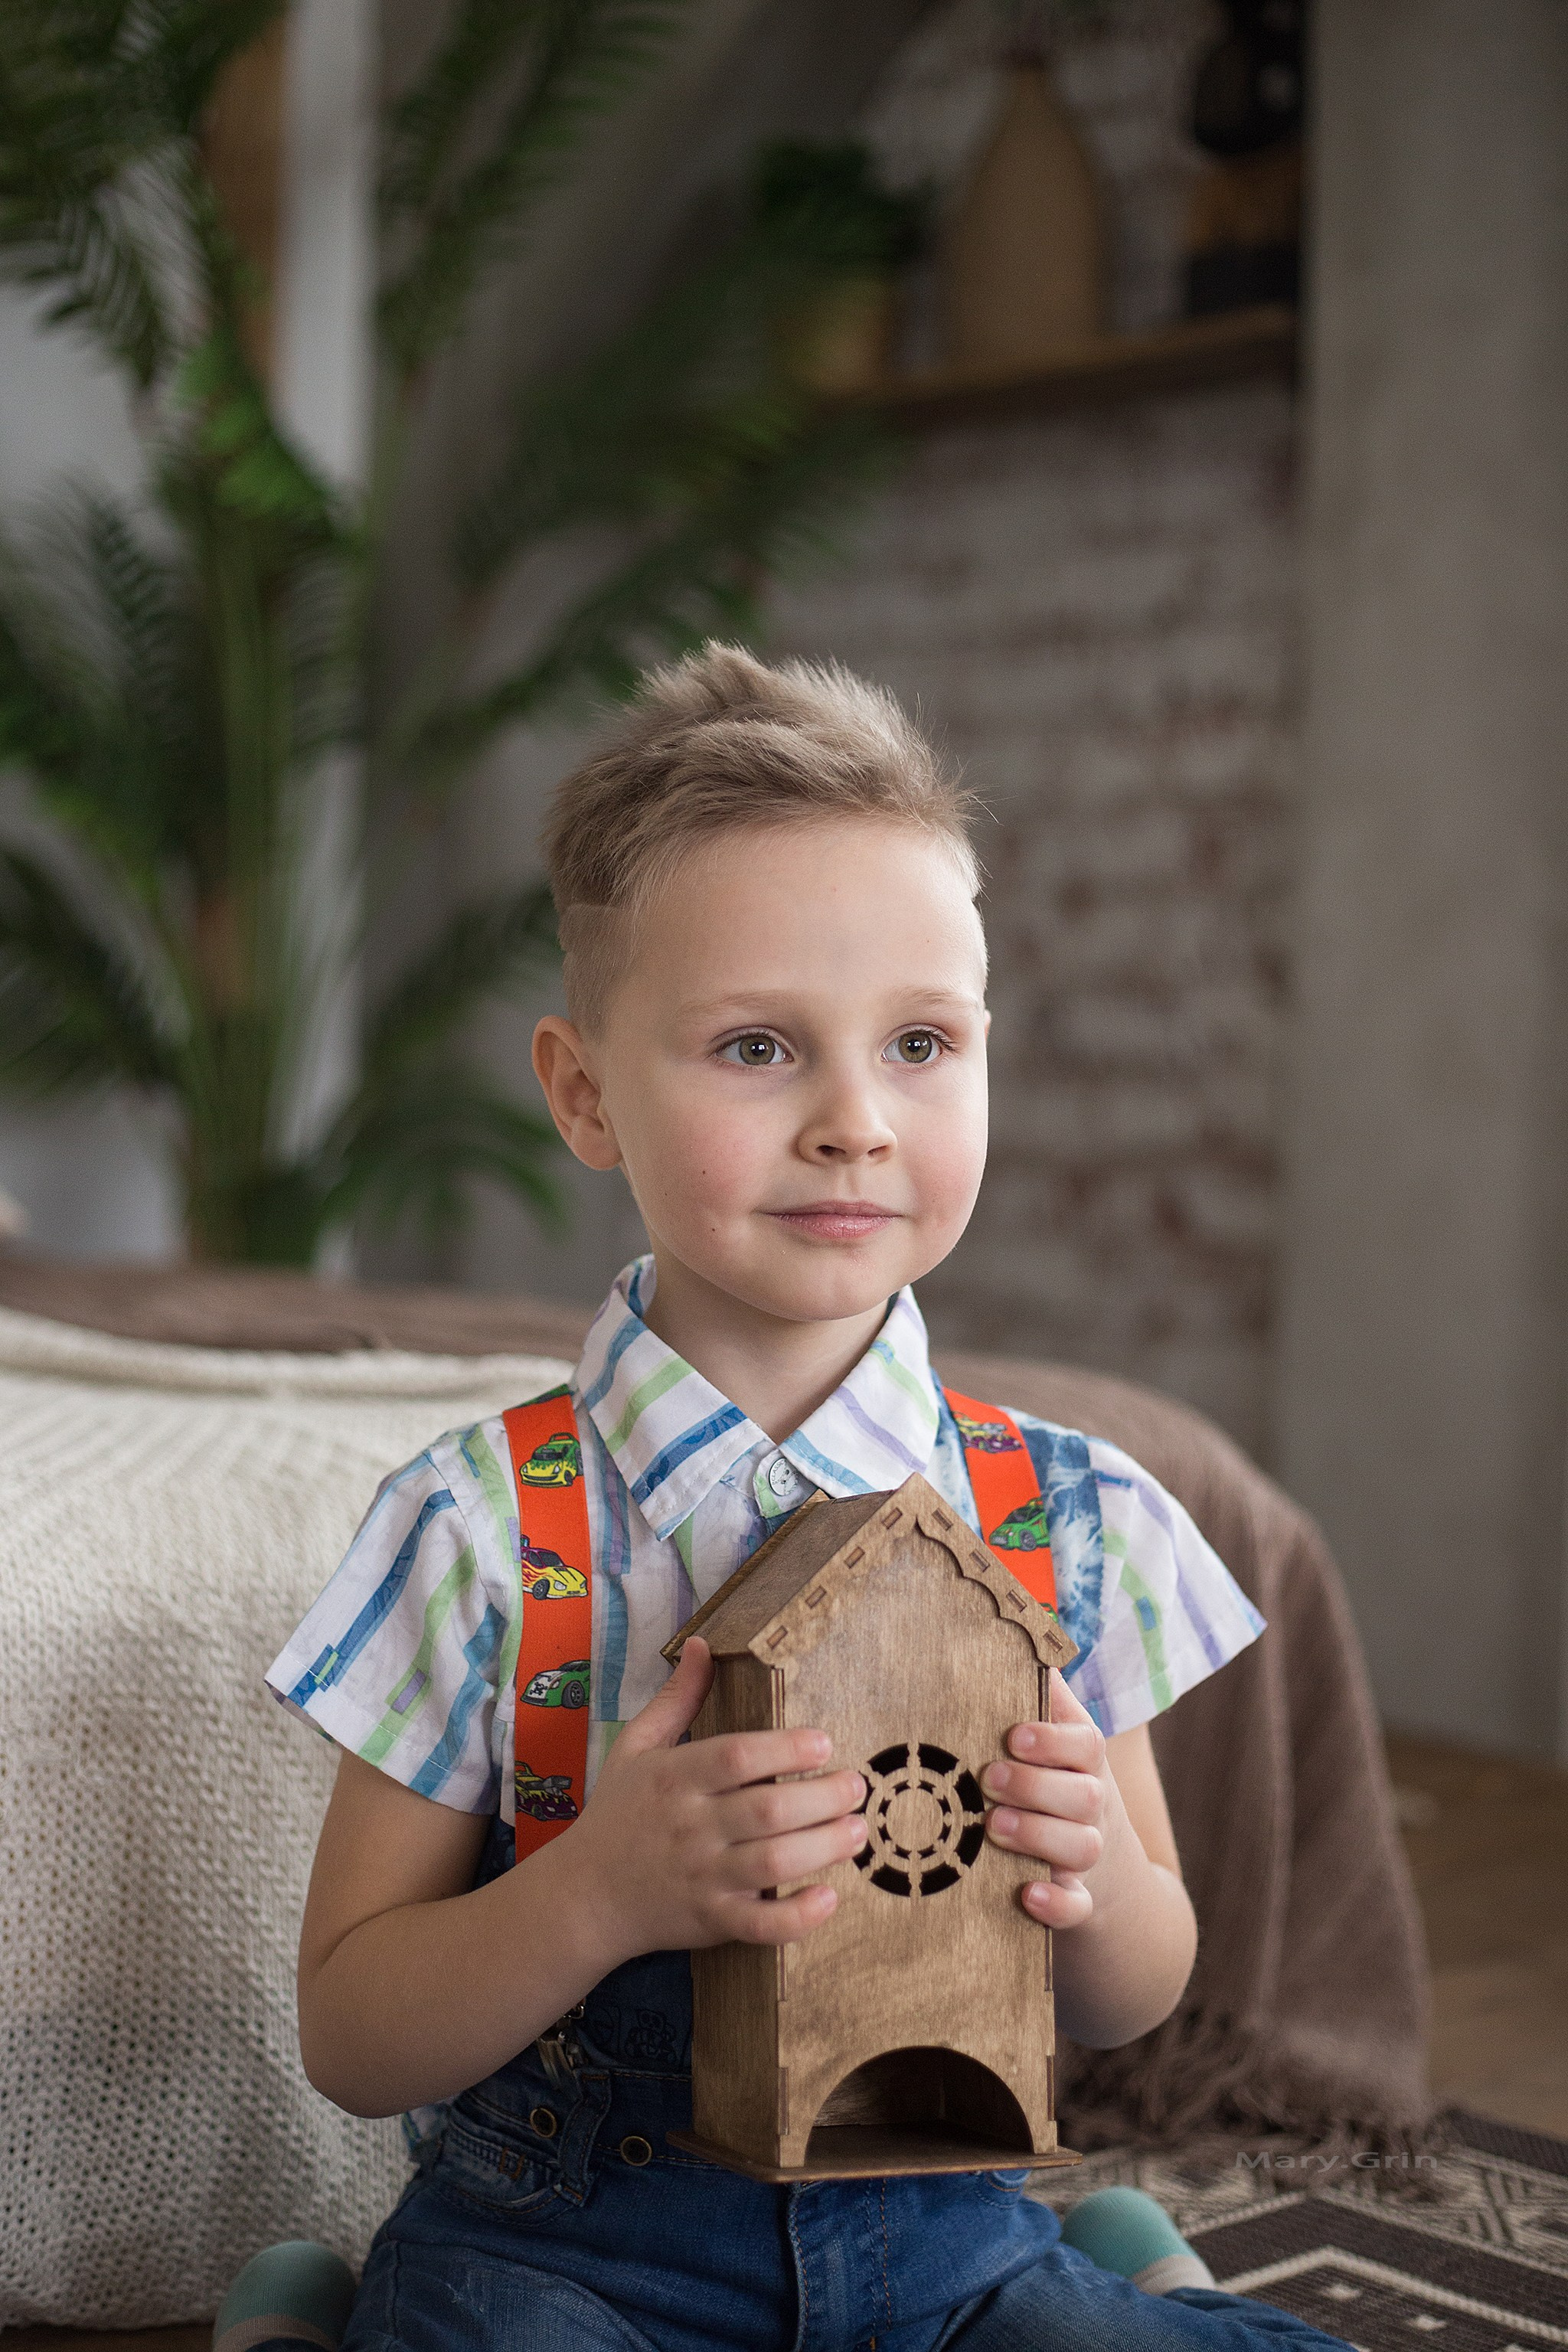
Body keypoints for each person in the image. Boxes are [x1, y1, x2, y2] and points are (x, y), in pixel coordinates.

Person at [244, 647, 1351, 2352]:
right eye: (759, 1048)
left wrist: (1094, 1883)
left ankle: (1135, 2279)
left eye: (920, 1043)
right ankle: (307, 2318)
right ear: (585, 1092)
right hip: (568, 2257)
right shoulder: (478, 1528)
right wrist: (595, 1892)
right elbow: (351, 2031)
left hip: (948, 2254)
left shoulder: (1065, 1517)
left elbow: (1137, 1993)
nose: (853, 1122)